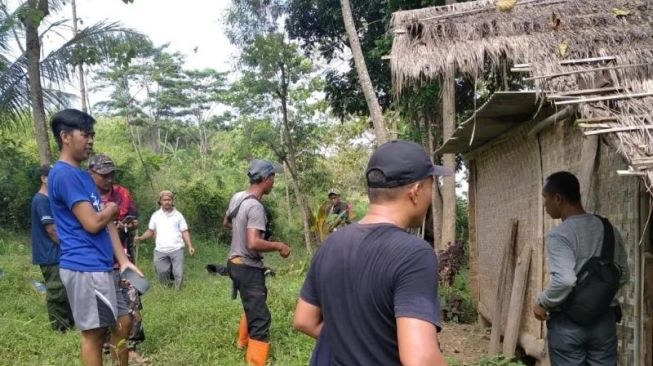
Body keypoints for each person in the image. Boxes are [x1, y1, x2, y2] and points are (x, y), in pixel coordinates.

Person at [294, 140, 450, 365]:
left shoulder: (331, 244)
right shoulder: (414, 254)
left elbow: (304, 320)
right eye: (430, 187)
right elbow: (420, 359)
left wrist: (354, 345)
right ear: (416, 192)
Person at [48, 109, 143, 366]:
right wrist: (112, 208)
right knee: (94, 334)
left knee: (124, 321)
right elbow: (93, 223)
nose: (90, 140)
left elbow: (106, 222)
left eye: (92, 135)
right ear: (65, 136)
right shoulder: (64, 174)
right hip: (84, 267)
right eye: (85, 134)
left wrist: (123, 260)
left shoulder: (83, 176)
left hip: (103, 266)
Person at [533, 171, 629, 366]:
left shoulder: (560, 235)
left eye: (546, 198)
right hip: (604, 321)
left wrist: (542, 303)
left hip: (568, 324)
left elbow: (565, 280)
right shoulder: (609, 229)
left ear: (558, 198)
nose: (544, 204)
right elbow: (623, 275)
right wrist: (597, 297)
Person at [223, 159, 292, 366]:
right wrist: (279, 246)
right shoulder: (255, 206)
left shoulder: (238, 197)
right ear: (267, 179)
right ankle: (256, 362)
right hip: (247, 266)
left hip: (233, 263)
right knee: (260, 317)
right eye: (274, 178)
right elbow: (253, 242)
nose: (274, 183)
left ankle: (242, 342)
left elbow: (227, 221)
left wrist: (240, 230)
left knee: (252, 305)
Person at [88, 154, 148, 365]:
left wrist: (127, 225)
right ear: (91, 173)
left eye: (112, 174)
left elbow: (134, 220)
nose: (109, 178)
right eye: (104, 175)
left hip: (124, 259)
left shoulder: (122, 193)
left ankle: (129, 349)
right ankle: (107, 347)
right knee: (103, 316)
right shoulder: (86, 196)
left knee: (131, 308)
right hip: (98, 264)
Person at [31, 164, 74, 332]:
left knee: (66, 290)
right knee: (56, 291)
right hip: (50, 253)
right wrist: (69, 247)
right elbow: (51, 230)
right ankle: (59, 328)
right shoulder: (41, 200)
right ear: (44, 178)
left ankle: (70, 324)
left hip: (58, 252)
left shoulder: (52, 199)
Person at [135, 190, 195, 290]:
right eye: (164, 200)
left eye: (169, 200)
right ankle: (167, 290)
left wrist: (190, 246)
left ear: (172, 201)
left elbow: (185, 231)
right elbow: (151, 231)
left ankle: (179, 293)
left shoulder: (178, 215)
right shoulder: (156, 215)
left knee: (178, 273)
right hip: (160, 250)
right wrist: (141, 238)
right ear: (160, 201)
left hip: (177, 249)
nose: (167, 202)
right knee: (162, 272)